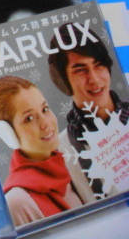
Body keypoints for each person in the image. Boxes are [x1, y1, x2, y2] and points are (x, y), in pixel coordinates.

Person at [0, 76, 83, 227]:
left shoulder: (72, 166)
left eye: (45, 109)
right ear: (9, 134)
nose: (46, 123)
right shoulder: (17, 203)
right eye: (29, 118)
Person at [48, 22, 129, 198]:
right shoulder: (60, 152)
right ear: (62, 80)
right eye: (80, 70)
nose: (94, 79)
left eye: (99, 65)